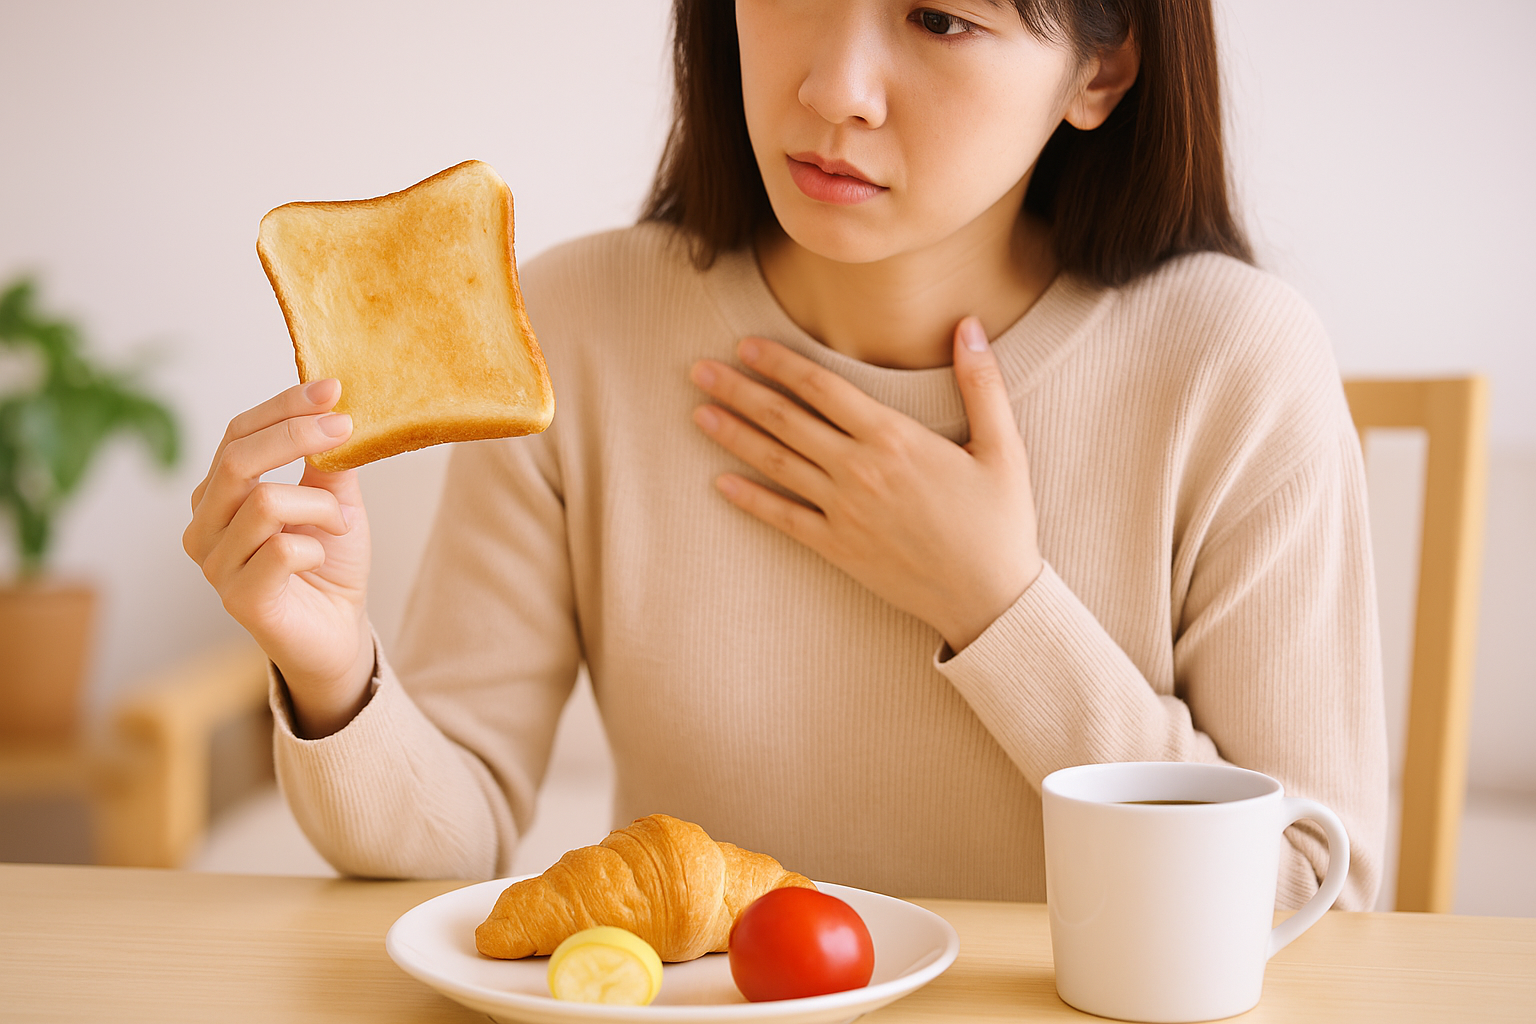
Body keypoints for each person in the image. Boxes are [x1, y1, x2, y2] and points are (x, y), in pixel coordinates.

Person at [185, 0, 1387, 909]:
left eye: (937, 18)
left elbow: (1317, 895)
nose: (834, 87)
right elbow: (453, 844)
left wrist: (1000, 604)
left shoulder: (1231, 361)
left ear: (1101, 68)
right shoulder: (578, 331)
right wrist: (334, 669)